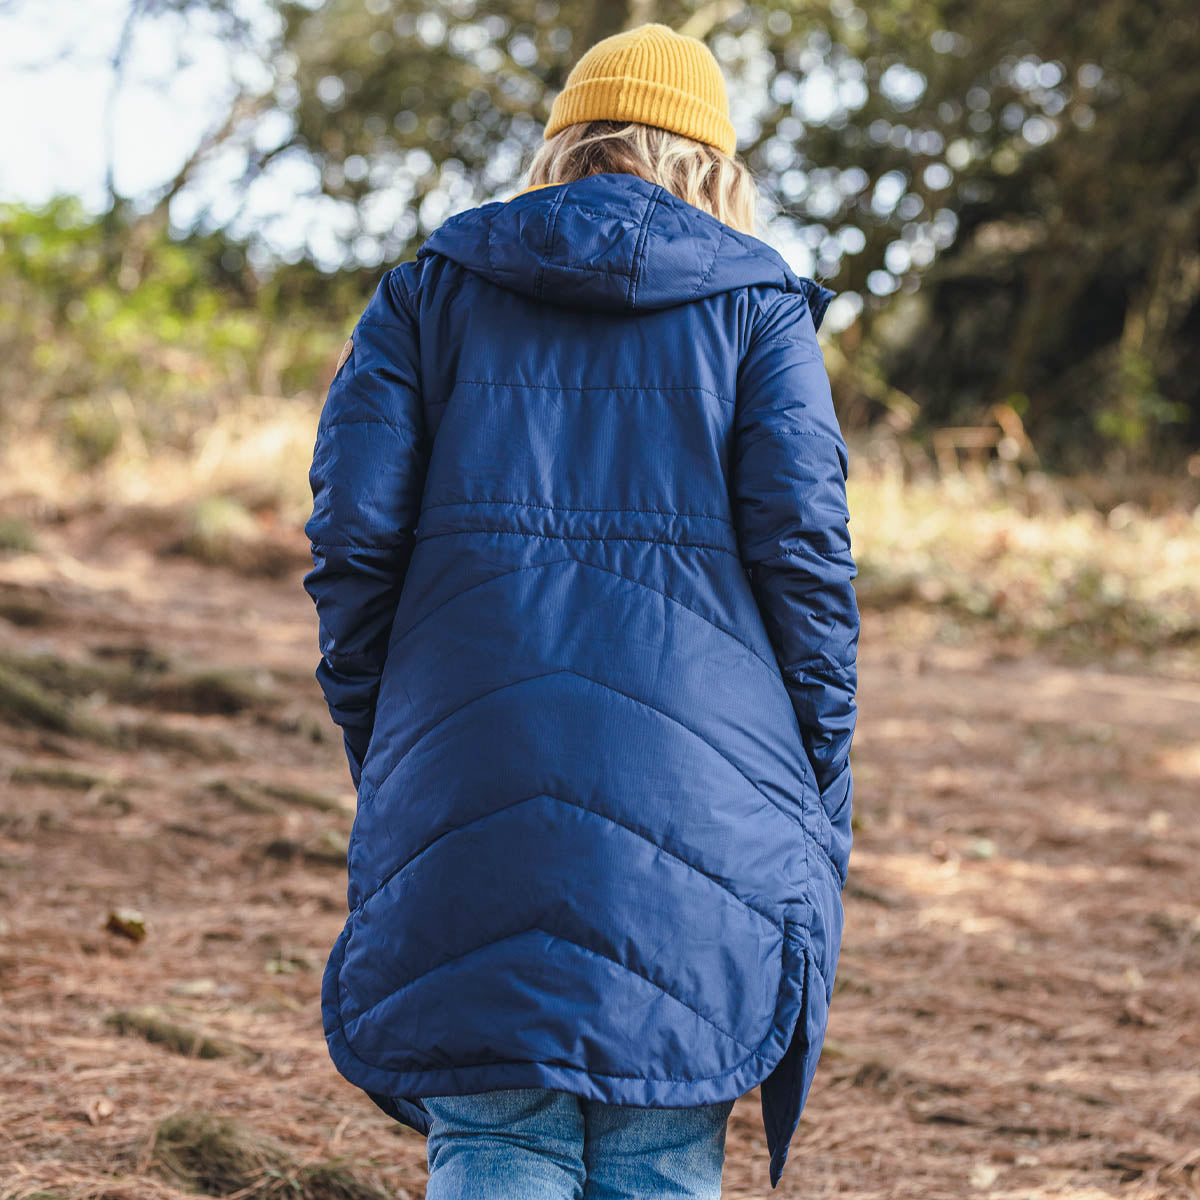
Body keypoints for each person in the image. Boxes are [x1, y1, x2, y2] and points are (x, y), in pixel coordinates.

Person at [303, 20, 859, 1200]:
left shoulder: (423, 295)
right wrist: (815, 783)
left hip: (465, 766)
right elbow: (809, 572)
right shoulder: (762, 314)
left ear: (563, 148)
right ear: (712, 164)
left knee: (499, 1139)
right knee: (661, 1151)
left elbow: (352, 546)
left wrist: (390, 735)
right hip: (710, 789)